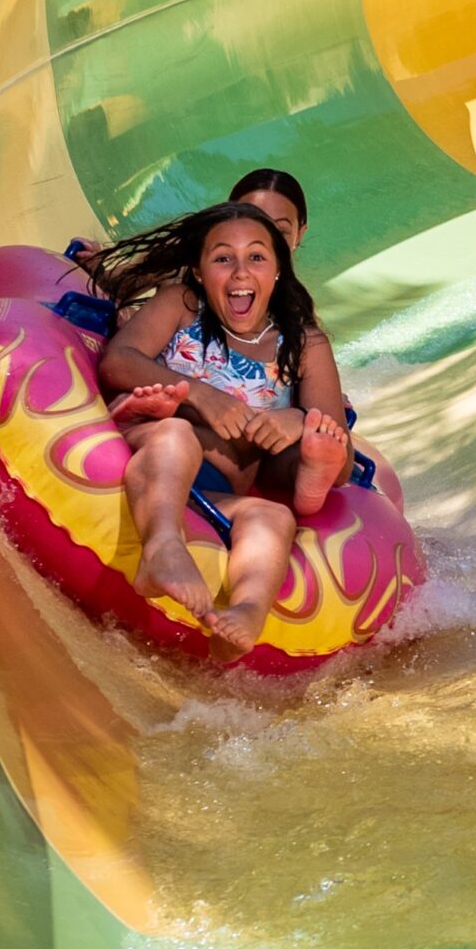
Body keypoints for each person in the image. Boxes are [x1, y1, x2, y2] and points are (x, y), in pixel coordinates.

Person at [90, 202, 353, 653]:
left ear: (277, 271)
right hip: (162, 451)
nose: (239, 272)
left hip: (223, 487)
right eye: (222, 258)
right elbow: (119, 360)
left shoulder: (305, 344)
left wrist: (297, 422)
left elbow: (342, 456)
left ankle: (248, 609)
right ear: (198, 269)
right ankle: (163, 546)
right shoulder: (181, 306)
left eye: (256, 257)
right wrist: (200, 395)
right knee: (176, 434)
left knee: (273, 516)